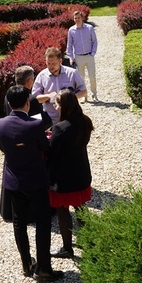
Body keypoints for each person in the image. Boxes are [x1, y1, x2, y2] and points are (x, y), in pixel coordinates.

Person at [0, 85, 62, 282]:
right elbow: (44, 146)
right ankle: (43, 267)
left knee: (19, 223)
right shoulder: (34, 125)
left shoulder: (0, 124)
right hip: (36, 179)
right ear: (27, 103)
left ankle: (26, 264)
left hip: (14, 180)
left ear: (8, 104)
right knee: (42, 223)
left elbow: (3, 148)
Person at [47, 89, 93, 259]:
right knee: (81, 207)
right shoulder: (85, 121)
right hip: (81, 172)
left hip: (63, 178)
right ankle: (88, 240)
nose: (56, 108)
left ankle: (67, 248)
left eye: (57, 104)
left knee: (63, 211)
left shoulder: (60, 128)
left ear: (63, 106)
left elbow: (52, 154)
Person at [32, 47, 87, 125]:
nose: (51, 66)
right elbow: (35, 99)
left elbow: (83, 91)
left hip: (70, 117)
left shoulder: (72, 73)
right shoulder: (41, 76)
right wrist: (48, 96)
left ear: (60, 61)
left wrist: (68, 99)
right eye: (48, 63)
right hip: (50, 118)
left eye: (54, 64)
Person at [4, 65, 52, 130]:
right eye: (33, 80)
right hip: (28, 135)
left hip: (11, 131)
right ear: (29, 81)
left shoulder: (8, 96)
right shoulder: (30, 99)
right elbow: (44, 123)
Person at [66, 11, 99, 102]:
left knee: (92, 76)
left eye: (78, 18)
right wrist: (71, 58)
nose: (77, 20)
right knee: (81, 78)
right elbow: (69, 45)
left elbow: (94, 41)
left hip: (89, 56)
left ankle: (94, 94)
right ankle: (84, 96)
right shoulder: (71, 30)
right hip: (78, 57)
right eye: (75, 18)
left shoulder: (89, 28)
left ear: (82, 18)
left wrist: (92, 53)